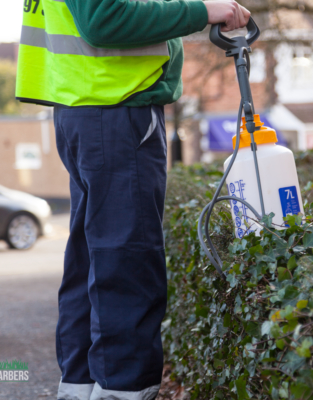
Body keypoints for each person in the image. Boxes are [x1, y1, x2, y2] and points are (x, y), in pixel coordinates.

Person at [15, 1, 250, 399]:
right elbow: (105, 19)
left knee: (92, 255)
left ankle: (82, 381)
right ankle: (123, 388)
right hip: (116, 106)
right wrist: (203, 11)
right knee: (126, 256)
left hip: (85, 104)